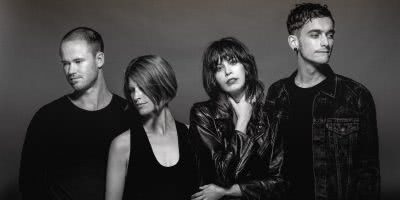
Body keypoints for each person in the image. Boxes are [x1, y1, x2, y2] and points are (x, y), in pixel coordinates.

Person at [264, 3, 380, 200]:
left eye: (330, 34)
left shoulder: (356, 96)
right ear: (294, 42)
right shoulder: (277, 93)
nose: (326, 42)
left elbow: (368, 174)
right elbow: (265, 163)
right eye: (315, 35)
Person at [19, 27, 128, 200]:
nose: (70, 71)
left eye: (78, 61)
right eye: (66, 63)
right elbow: (29, 184)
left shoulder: (128, 114)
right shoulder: (47, 117)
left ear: (99, 59)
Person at [189, 37, 286, 200]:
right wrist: (242, 121)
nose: (228, 72)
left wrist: (232, 191)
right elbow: (220, 176)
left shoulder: (271, 118)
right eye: (219, 68)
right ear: (213, 78)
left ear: (246, 67)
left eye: (233, 62)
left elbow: (281, 183)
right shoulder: (203, 114)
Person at [106, 55, 197, 200]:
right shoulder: (122, 145)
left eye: (142, 88)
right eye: (132, 90)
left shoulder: (193, 135)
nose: (136, 96)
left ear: (163, 85)